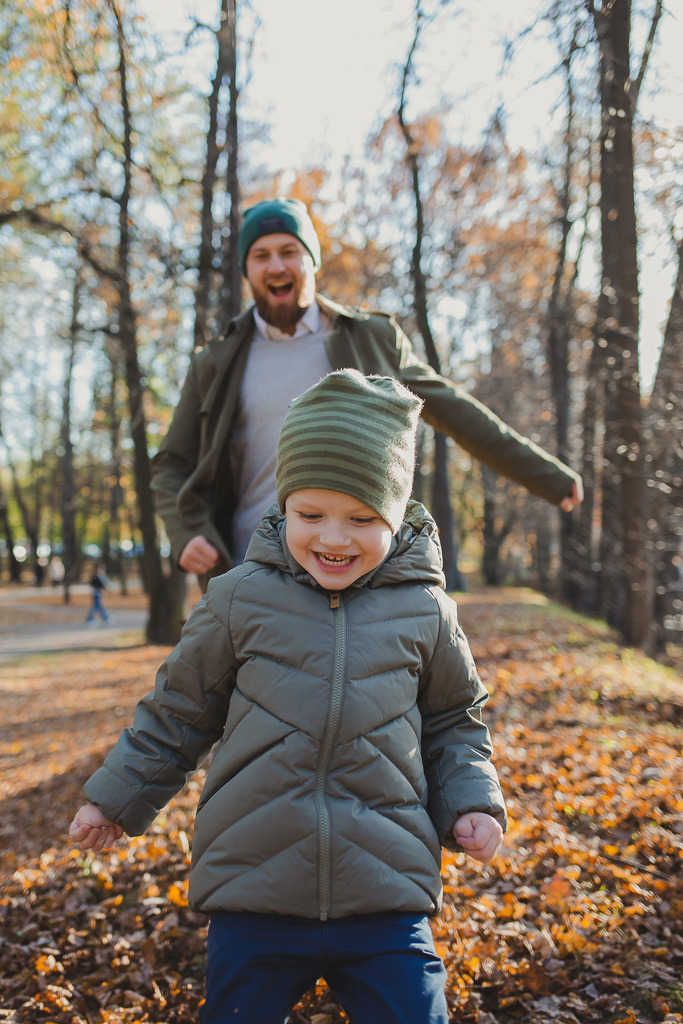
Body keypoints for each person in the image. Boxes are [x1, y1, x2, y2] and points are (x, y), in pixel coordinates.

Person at [70, 370, 507, 1024]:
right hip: (254, 898)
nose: (333, 539)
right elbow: (177, 714)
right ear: (283, 508)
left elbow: (453, 721)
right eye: (310, 515)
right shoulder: (239, 598)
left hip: (384, 897)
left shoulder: (426, 612)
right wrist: (116, 798)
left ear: (395, 514)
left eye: (361, 518)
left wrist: (471, 799)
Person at [151, 197, 583, 591]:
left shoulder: (371, 339)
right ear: (247, 270)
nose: (276, 266)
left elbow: (456, 411)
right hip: (249, 569)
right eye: (260, 256)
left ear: (312, 261)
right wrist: (186, 531)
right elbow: (171, 464)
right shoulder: (215, 362)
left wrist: (547, 477)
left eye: (289, 252)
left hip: (355, 564)